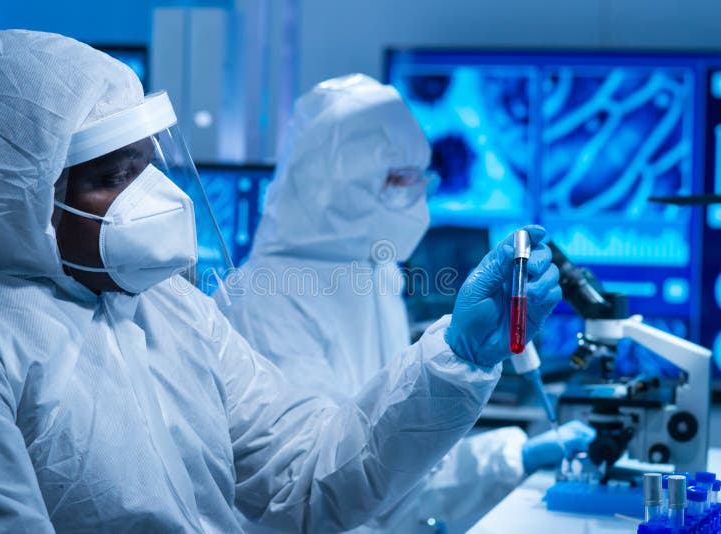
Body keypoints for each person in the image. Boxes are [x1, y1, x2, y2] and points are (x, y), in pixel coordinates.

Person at [0, 31, 561, 533]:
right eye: (112, 177)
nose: (155, 200)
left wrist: (457, 359)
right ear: (19, 196)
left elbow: (309, 474)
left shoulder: (168, 308)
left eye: (147, 167)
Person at [217, 75, 593, 531]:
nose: (420, 194)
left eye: (422, 177)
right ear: (331, 185)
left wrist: (514, 456)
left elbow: (396, 455)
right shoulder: (264, 297)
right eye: (399, 179)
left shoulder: (375, 277)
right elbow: (318, 483)